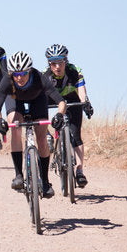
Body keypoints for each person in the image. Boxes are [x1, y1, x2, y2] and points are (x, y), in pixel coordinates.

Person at [0, 51, 66, 198]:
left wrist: (59, 115)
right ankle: (18, 175)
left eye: (23, 74)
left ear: (30, 71)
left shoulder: (40, 78)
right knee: (15, 126)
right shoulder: (7, 80)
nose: (19, 78)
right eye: (16, 74)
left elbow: (61, 101)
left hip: (37, 100)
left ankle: (45, 182)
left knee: (42, 138)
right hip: (15, 100)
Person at [43, 44, 94, 187]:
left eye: (60, 62)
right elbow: (39, 99)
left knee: (76, 136)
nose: (57, 67)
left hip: (72, 99)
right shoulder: (45, 75)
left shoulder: (74, 71)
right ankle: (47, 134)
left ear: (66, 61)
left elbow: (81, 90)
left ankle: (79, 170)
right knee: (40, 108)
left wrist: (85, 103)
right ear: (49, 64)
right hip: (52, 99)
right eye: (53, 63)